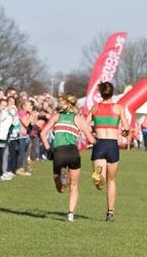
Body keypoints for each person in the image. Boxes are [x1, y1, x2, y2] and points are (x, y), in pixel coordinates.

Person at [40, 93, 96, 222]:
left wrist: (48, 148)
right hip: (73, 153)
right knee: (74, 185)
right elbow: (90, 138)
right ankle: (70, 214)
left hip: (58, 153)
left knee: (60, 189)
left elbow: (43, 133)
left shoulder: (56, 116)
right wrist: (97, 142)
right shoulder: (79, 118)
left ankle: (61, 178)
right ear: (74, 104)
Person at [89, 82, 130, 222]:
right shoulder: (119, 108)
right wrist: (124, 133)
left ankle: (100, 177)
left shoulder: (95, 108)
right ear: (112, 93)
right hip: (112, 145)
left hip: (99, 144)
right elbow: (126, 128)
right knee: (112, 181)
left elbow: (84, 124)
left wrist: (92, 133)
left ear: (101, 93)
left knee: (98, 183)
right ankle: (110, 213)